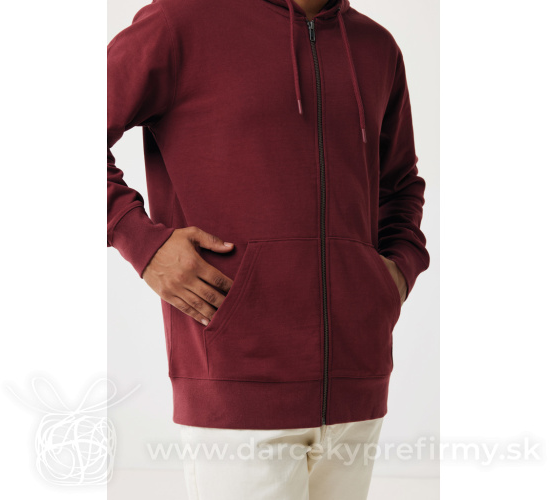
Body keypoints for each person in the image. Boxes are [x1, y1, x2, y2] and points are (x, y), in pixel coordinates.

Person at [107, 0, 430, 497]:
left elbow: (400, 185)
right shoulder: (181, 22)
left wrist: (394, 276)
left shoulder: (376, 47)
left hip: (357, 388)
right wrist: (140, 241)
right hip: (237, 391)